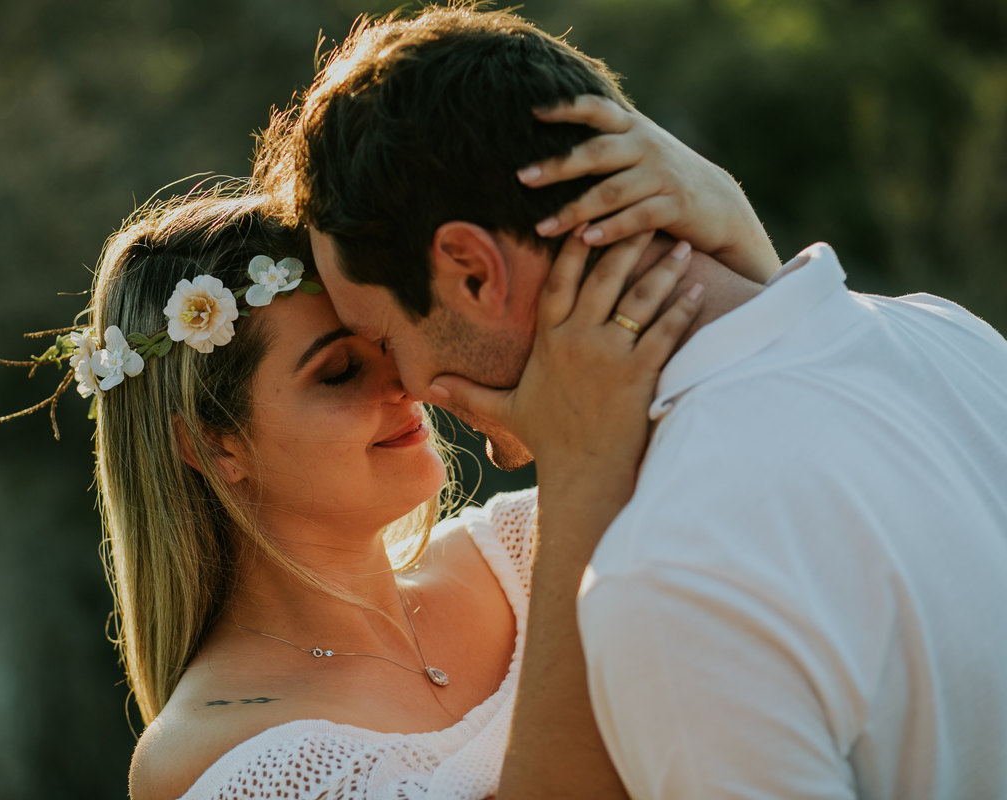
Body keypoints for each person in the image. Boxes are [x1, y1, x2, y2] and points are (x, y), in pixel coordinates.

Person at [276, 5, 1007, 799]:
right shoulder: (955, 339)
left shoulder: (666, 580)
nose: (403, 385)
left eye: (383, 337)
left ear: (473, 273)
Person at [0, 183, 703, 800]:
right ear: (215, 444)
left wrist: (718, 216)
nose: (404, 384)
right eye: (338, 372)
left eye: (388, 345)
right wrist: (584, 467)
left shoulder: (523, 545)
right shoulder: (213, 756)